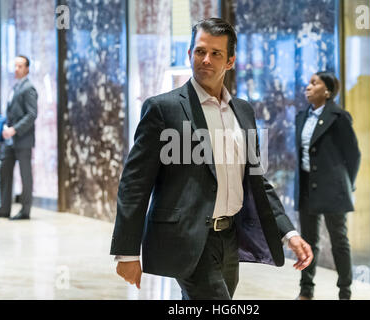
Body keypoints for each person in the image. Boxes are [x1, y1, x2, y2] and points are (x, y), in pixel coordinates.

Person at [110, 18, 313, 300]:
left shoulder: (243, 112)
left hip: (229, 239)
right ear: (189, 53)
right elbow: (135, 183)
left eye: (216, 53)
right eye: (200, 51)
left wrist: (288, 232)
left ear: (230, 61)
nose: (206, 60)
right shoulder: (163, 109)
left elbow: (257, 180)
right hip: (187, 236)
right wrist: (127, 251)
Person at [294, 72, 361, 300]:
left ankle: (345, 292)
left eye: (314, 83)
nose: (308, 86)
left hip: (333, 189)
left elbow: (353, 155)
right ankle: (306, 290)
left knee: (339, 241)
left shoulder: (339, 116)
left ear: (328, 91)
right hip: (307, 187)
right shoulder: (301, 117)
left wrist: (346, 184)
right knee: (307, 242)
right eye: (309, 82)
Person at [0, 55, 37, 220]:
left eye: (20, 66)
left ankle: (25, 211)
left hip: (23, 139)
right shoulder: (15, 87)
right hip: (9, 140)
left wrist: (15, 130)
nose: (16, 69)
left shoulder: (29, 88)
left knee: (25, 176)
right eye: (15, 66)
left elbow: (32, 115)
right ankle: (4, 209)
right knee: (5, 171)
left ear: (27, 69)